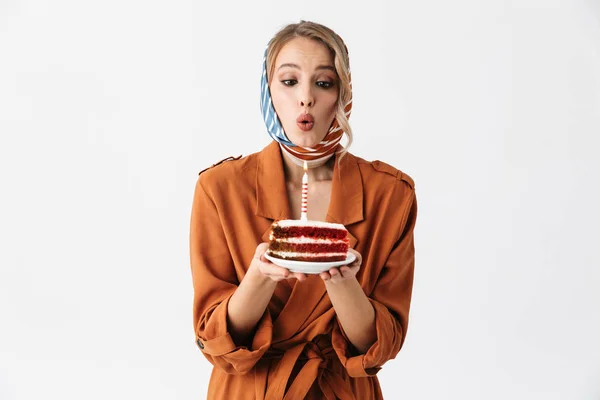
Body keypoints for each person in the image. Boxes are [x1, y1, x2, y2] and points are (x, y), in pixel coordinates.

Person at [189, 20, 417, 400]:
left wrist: (343, 283)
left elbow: (380, 347)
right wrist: (260, 276)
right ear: (268, 91)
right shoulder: (220, 188)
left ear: (343, 94)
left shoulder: (390, 194)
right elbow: (213, 339)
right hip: (250, 390)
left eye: (323, 83)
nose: (306, 98)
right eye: (289, 82)